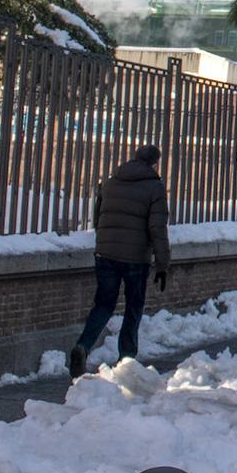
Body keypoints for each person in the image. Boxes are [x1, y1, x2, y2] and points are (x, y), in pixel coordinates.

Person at [69, 144, 171, 378]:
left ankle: (83, 346)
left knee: (103, 305)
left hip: (105, 253)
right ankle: (126, 357)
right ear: (154, 163)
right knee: (133, 307)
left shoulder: (111, 182)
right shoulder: (155, 187)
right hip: (136, 258)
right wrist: (163, 264)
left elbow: (98, 218)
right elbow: (157, 229)